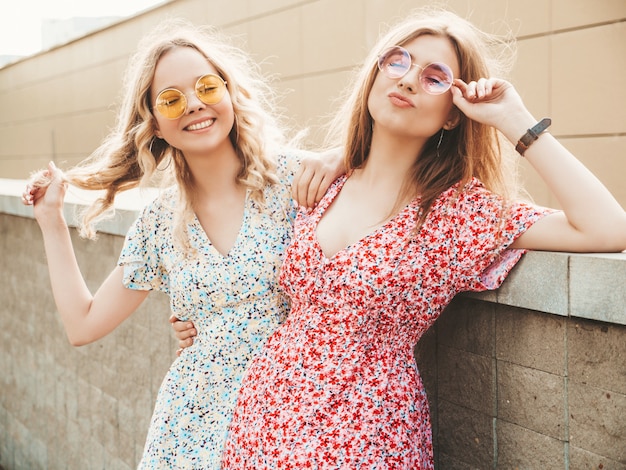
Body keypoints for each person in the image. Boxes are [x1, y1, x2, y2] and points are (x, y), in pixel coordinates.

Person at [172, 7, 626, 469]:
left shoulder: (459, 212)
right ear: (373, 77)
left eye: (435, 78)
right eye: (398, 62)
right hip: (263, 421)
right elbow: (228, 233)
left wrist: (514, 121)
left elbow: (608, 229)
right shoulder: (319, 183)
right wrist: (196, 316)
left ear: (453, 115)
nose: (409, 80)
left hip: (366, 433)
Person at [21, 19, 342, 469]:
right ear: (153, 123)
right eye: (172, 99)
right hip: (191, 431)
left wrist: (347, 154)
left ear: (229, 94)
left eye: (207, 87)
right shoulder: (159, 222)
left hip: (296, 419)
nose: (194, 104)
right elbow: (83, 324)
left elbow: (393, 173)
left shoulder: (296, 179)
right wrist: (51, 220)